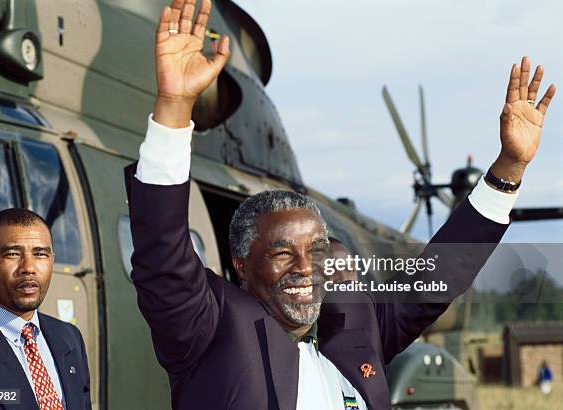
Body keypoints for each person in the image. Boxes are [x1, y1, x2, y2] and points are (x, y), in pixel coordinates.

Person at [125, 1, 557, 408]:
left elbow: (439, 277)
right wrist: (175, 106)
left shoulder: (355, 329)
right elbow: (162, 253)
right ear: (240, 264)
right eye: (281, 253)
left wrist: (509, 167)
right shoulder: (210, 329)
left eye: (317, 251)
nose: (304, 267)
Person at [0, 209, 91, 410]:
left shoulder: (69, 338)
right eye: (13, 254)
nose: (29, 267)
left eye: (40, 254)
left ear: (52, 259)